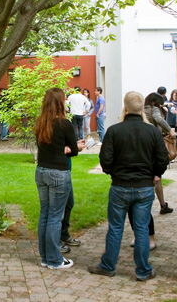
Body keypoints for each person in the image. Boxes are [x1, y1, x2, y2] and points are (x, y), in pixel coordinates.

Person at [88, 91, 167, 281]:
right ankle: (143, 270)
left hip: (121, 186)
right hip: (144, 186)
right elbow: (162, 159)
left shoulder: (115, 131)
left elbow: (105, 160)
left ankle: (108, 266)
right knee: (141, 229)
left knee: (115, 227)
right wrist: (155, 175)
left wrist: (113, 172)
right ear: (142, 110)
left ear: (125, 107)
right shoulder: (153, 131)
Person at [34, 88, 85, 269]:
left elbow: (44, 146)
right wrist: (75, 147)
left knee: (45, 215)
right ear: (60, 102)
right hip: (58, 173)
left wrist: (66, 148)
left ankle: (45, 257)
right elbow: (74, 149)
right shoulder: (64, 124)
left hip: (41, 171)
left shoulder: (40, 122)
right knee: (55, 217)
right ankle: (55, 260)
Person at [142, 93, 174, 216]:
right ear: (155, 102)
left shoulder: (140, 109)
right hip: (153, 142)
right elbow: (159, 119)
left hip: (142, 143)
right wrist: (169, 129)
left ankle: (162, 204)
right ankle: (160, 204)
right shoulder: (153, 109)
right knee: (156, 176)